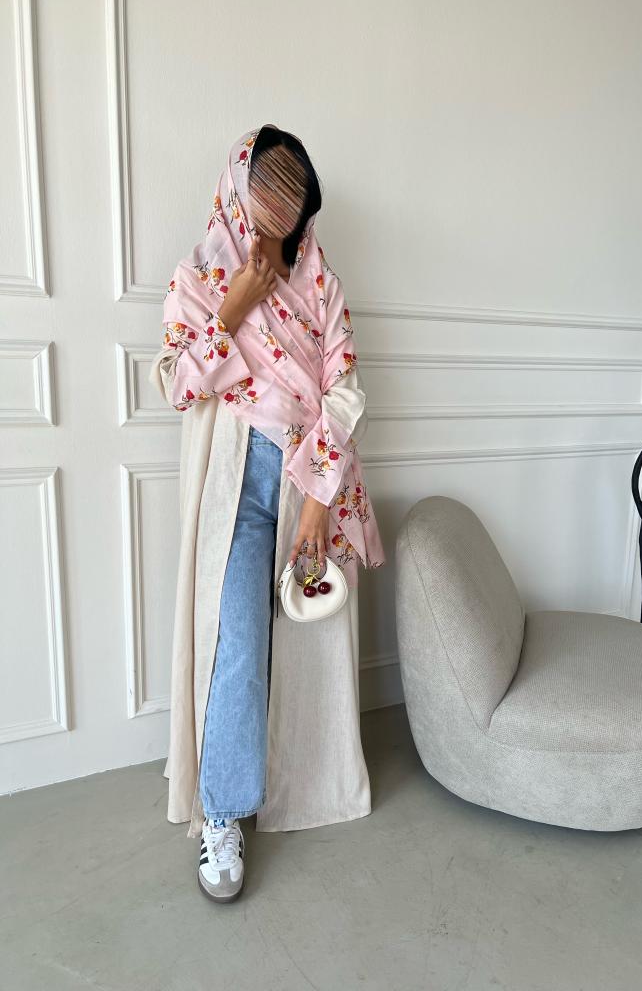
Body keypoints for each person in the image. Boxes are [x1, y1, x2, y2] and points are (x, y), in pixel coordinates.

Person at [151, 124, 386, 903]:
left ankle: (308, 785)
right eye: (266, 182)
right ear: (237, 181)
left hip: (308, 483)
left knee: (311, 641)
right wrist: (234, 306)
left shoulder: (321, 284)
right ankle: (223, 814)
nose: (277, 202)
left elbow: (346, 391)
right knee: (237, 647)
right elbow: (177, 384)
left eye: (292, 188)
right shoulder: (199, 275)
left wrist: (318, 501)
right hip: (234, 486)